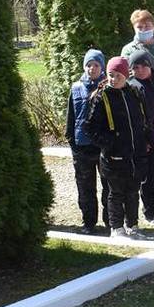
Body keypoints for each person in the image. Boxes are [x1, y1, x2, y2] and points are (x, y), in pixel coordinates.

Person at [84, 57, 149, 239]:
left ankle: (133, 225)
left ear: (126, 75)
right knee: (116, 192)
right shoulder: (101, 97)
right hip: (114, 156)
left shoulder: (134, 92)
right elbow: (90, 128)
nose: (114, 79)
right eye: (111, 75)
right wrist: (110, 143)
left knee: (133, 191)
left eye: (118, 75)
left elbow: (144, 120)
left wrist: (146, 141)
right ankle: (116, 227)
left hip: (135, 154)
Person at [66, 49, 110, 234]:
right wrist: (71, 140)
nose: (92, 68)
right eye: (89, 65)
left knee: (108, 185)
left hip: (102, 146)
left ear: (102, 67)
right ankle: (89, 221)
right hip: (82, 146)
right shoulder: (76, 88)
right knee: (85, 187)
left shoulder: (108, 87)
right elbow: (71, 116)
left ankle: (111, 221)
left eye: (96, 65)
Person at [128, 49, 154, 225]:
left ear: (150, 64)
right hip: (144, 139)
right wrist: (143, 140)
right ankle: (150, 211)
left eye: (143, 65)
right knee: (147, 177)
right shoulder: (131, 86)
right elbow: (133, 117)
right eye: (135, 67)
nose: (140, 70)